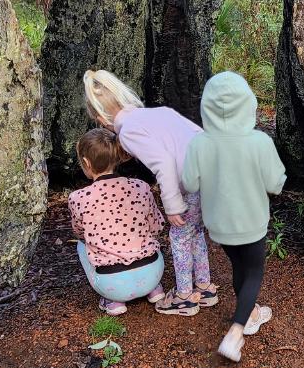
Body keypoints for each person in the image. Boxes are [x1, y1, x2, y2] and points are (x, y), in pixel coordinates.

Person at [83, 70, 217, 316]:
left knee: (179, 236)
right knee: (195, 231)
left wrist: (172, 204)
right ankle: (205, 287)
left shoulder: (128, 131)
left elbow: (163, 163)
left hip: (189, 182)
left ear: (101, 118)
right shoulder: (157, 113)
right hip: (209, 172)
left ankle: (185, 296)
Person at [182, 71, 286, 362]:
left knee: (239, 266)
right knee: (253, 272)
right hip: (252, 221)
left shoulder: (199, 143)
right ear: (248, 104)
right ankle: (236, 331)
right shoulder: (260, 142)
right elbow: (274, 184)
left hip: (218, 224)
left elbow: (189, 184)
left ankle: (251, 312)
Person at [68, 128, 167, 315]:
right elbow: (156, 227)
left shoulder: (78, 198)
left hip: (112, 283)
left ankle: (112, 301)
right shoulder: (141, 187)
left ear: (87, 162)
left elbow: (79, 233)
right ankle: (154, 290)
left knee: (81, 245)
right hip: (153, 272)